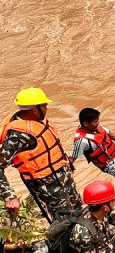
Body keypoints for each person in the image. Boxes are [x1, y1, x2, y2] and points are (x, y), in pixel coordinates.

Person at [1, 88, 81, 225]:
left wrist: (67, 164)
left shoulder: (36, 120)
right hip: (48, 186)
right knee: (65, 221)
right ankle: (65, 245)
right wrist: (9, 195)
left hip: (62, 175)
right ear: (34, 109)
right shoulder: (18, 136)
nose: (47, 109)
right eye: (44, 106)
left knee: (79, 210)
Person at [70, 108, 115, 213]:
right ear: (86, 123)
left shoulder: (98, 128)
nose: (98, 123)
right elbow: (73, 156)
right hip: (108, 164)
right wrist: (68, 167)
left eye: (98, 120)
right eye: (95, 122)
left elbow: (109, 134)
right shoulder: (81, 141)